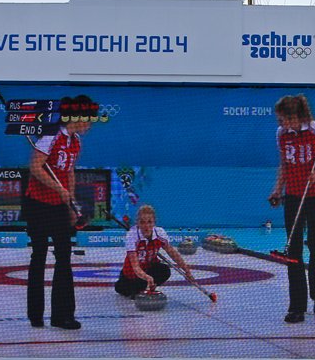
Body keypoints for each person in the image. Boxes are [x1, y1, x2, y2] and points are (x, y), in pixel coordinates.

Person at [267, 94, 315, 324]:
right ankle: (296, 307)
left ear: (296, 116)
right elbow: (284, 164)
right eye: (280, 120)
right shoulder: (282, 134)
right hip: (293, 196)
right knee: (293, 250)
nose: (281, 124)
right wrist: (277, 190)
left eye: (284, 119)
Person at [23, 94, 98, 331]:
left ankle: (62, 315)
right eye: (89, 120)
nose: (91, 125)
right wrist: (59, 189)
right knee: (39, 256)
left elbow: (70, 173)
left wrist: (70, 202)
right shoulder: (51, 136)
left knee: (64, 255)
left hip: (59, 205)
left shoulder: (76, 142)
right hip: (37, 203)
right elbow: (35, 167)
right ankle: (36, 315)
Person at [113, 204, 196, 299]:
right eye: (142, 222)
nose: (146, 226)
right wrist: (147, 277)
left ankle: (146, 287)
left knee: (164, 270)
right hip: (132, 274)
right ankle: (136, 286)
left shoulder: (160, 233)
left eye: (149, 222)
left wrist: (187, 271)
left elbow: (174, 254)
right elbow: (135, 267)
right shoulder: (132, 236)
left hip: (149, 268)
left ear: (154, 223)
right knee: (125, 290)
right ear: (137, 223)